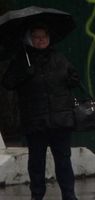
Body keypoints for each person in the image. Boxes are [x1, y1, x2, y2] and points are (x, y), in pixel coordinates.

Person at [2, 26, 80, 200]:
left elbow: (73, 77)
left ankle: (69, 195)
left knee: (63, 160)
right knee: (36, 162)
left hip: (60, 119)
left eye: (43, 36)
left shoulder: (58, 57)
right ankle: (37, 195)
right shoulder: (22, 60)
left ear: (49, 38)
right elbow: (7, 82)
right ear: (30, 39)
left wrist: (72, 78)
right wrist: (23, 74)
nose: (40, 40)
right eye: (36, 37)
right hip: (35, 120)